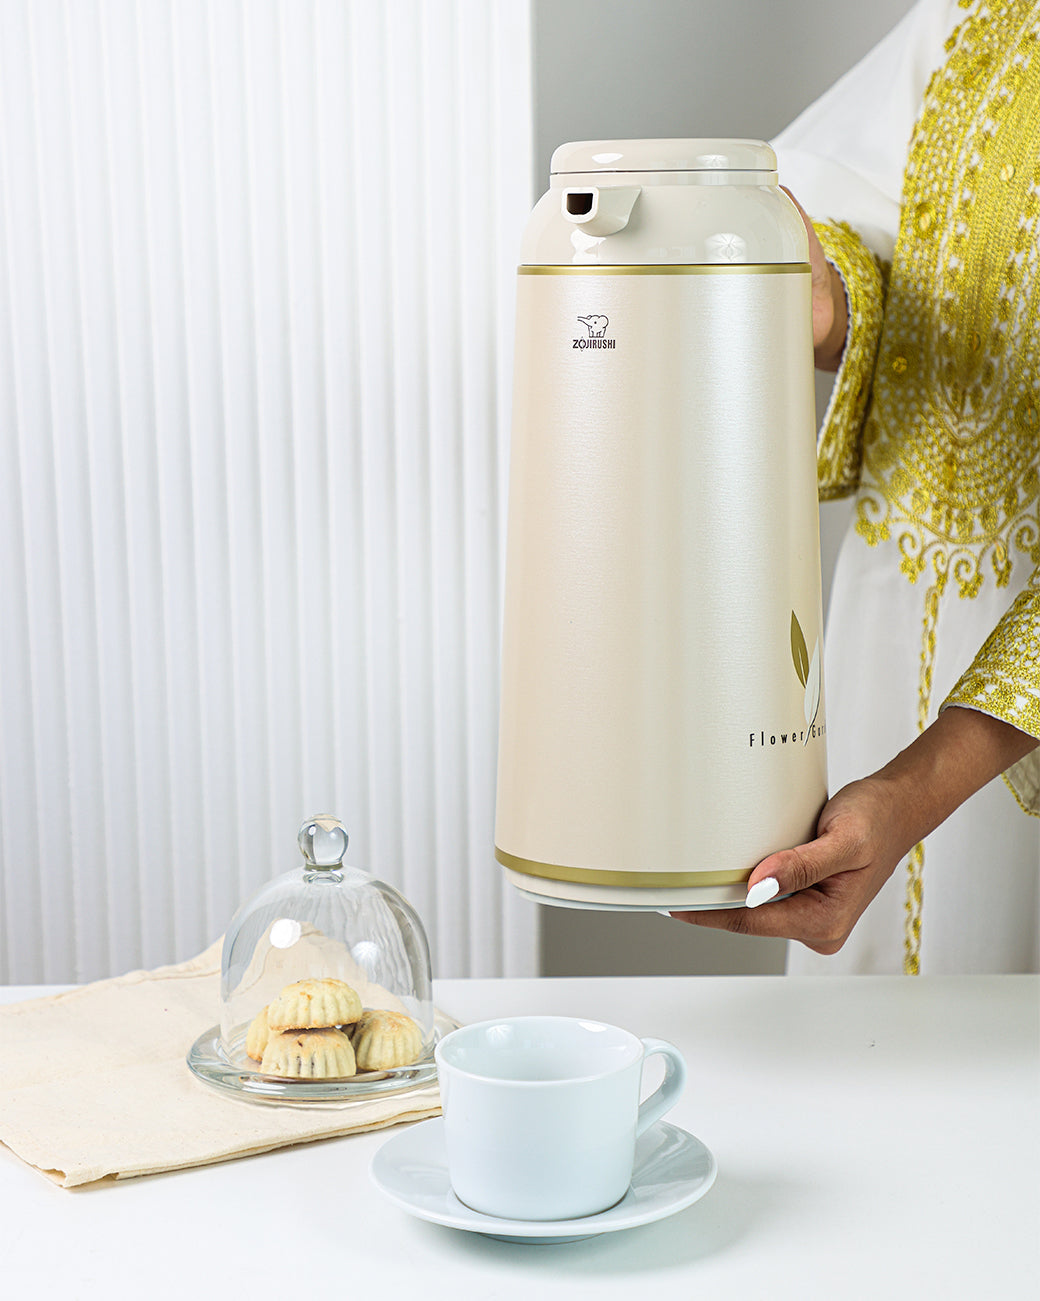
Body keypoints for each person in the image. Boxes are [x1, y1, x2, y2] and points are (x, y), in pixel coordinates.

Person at [675, 0, 1040, 974]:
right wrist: (828, 302)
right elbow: (897, 250)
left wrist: (916, 790)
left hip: (1008, 716)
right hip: (900, 610)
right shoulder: (980, 15)